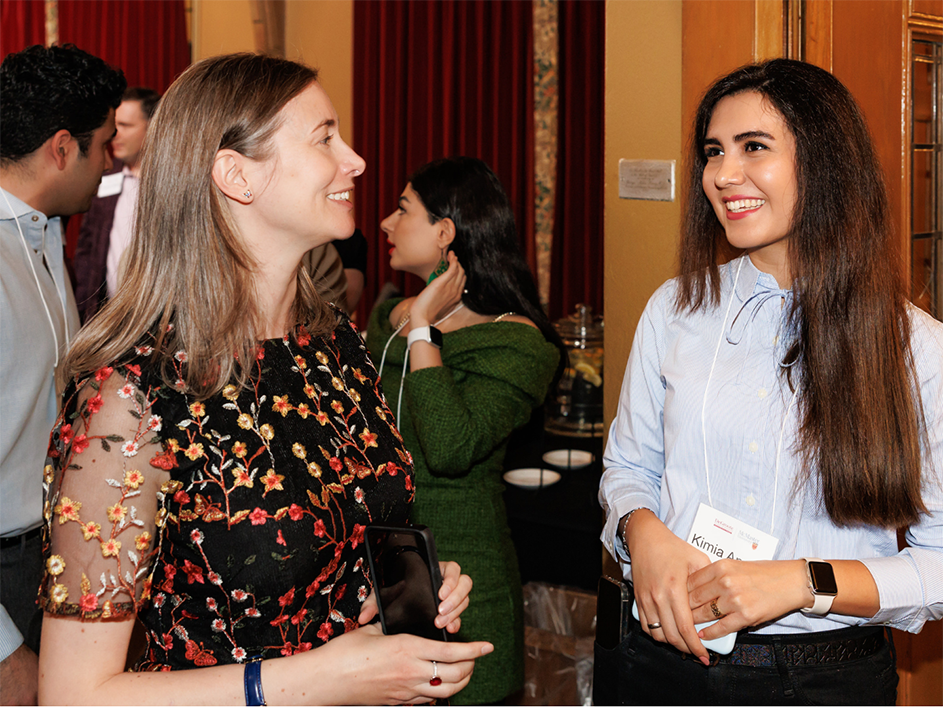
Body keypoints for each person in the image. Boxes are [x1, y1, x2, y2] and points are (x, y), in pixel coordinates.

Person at [37, 54, 490, 705]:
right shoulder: (130, 397)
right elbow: (75, 694)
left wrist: (398, 599)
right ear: (235, 175)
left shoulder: (334, 346)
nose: (356, 160)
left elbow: (330, 558)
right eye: (324, 137)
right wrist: (332, 678)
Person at [597, 58, 943, 705]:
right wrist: (639, 532)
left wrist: (800, 580)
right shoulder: (674, 309)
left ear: (824, 161)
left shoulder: (915, 348)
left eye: (753, 147)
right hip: (657, 659)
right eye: (712, 152)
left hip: (823, 679)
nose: (723, 175)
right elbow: (626, 467)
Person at [366, 156, 565, 705]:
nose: (385, 222)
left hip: (465, 581)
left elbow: (451, 447)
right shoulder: (389, 319)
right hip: (373, 575)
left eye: (402, 209)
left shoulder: (518, 344)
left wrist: (425, 329)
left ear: (445, 231)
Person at [0, 43, 125, 705]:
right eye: (103, 145)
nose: (110, 164)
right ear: (59, 148)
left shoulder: (43, 234)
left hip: (43, 544)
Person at [73, 86, 160, 323]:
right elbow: (87, 248)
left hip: (158, 319)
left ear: (153, 127)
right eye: (115, 126)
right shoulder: (104, 174)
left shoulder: (170, 182)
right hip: (107, 317)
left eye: (127, 126)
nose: (115, 134)